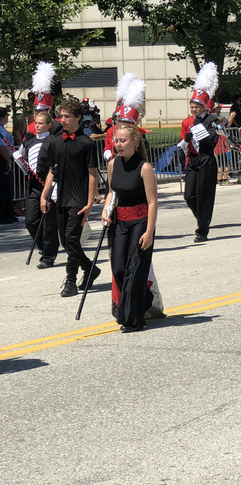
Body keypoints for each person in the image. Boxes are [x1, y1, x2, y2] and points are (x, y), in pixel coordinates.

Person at [40, 97, 99, 297]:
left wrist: (90, 202)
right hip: (61, 196)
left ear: (78, 118)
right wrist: (44, 195)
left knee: (72, 238)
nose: (62, 120)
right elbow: (51, 171)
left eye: (67, 117)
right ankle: (90, 268)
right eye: (61, 116)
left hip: (79, 197)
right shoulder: (55, 142)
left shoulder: (86, 144)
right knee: (66, 242)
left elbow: (92, 174)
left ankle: (71, 281)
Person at [102, 124, 158, 332]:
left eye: (123, 141)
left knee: (134, 270)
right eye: (116, 140)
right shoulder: (112, 164)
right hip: (119, 223)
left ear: (134, 142)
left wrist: (149, 231)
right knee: (118, 268)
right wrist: (106, 210)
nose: (118, 145)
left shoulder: (144, 167)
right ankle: (145, 299)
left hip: (140, 221)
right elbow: (111, 192)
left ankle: (131, 319)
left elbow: (152, 202)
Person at [178, 63, 220, 243]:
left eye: (197, 106)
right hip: (192, 159)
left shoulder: (212, 120)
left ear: (203, 107)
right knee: (189, 196)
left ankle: (202, 229)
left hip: (206, 160)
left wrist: (200, 133)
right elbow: (181, 146)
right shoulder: (186, 121)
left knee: (204, 195)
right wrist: (186, 140)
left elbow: (212, 142)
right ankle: (202, 219)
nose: (194, 110)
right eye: (192, 106)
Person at [13, 109, 59, 266]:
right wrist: (19, 161)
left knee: (48, 223)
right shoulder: (29, 141)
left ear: (48, 125)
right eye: (36, 123)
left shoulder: (53, 141)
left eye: (40, 123)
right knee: (31, 220)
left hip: (49, 185)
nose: (37, 126)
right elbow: (22, 158)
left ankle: (49, 256)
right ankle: (43, 246)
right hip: (34, 185)